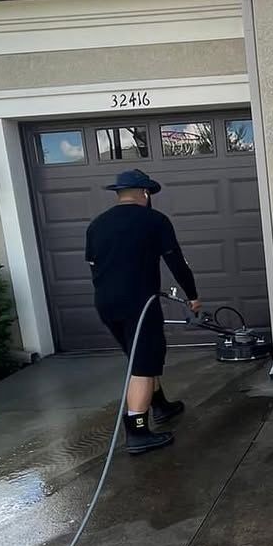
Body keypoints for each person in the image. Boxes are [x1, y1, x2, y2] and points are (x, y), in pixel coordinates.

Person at [84, 167, 201, 455]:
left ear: (119, 193)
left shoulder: (96, 225)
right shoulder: (155, 221)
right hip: (139, 302)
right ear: (145, 193)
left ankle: (160, 404)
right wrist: (193, 296)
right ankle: (136, 431)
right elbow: (176, 263)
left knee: (141, 357)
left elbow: (93, 265)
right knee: (143, 365)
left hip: (106, 303)